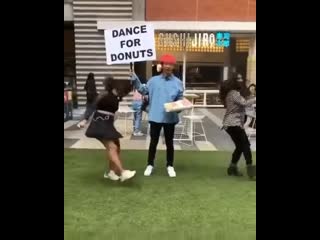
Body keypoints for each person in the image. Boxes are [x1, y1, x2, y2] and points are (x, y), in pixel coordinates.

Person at [131, 54, 183, 177]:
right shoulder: (153, 80)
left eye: (171, 64)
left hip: (170, 117)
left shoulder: (178, 83)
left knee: (169, 142)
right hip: (155, 116)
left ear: (173, 66)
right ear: (162, 65)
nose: (168, 66)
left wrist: (179, 107)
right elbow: (143, 90)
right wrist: (135, 81)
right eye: (166, 64)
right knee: (153, 142)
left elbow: (180, 98)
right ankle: (150, 164)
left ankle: (170, 165)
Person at [85, 75, 136, 182]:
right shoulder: (104, 96)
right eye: (125, 91)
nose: (125, 94)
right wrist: (85, 119)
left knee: (116, 146)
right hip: (99, 125)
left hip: (107, 125)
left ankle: (111, 173)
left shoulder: (115, 97)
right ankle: (123, 172)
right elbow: (92, 107)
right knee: (112, 147)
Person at [219, 78, 256, 179]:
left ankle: (232, 168)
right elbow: (244, 103)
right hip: (233, 124)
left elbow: (241, 105)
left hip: (230, 125)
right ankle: (251, 171)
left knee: (240, 146)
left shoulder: (229, 94)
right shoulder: (234, 93)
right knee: (246, 145)